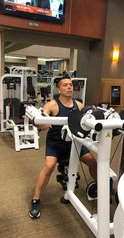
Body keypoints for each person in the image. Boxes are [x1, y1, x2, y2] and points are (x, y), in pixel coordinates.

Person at [29, 76, 97, 218]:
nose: (69, 87)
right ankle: (36, 199)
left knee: (92, 161)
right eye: (65, 85)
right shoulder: (52, 105)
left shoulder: (78, 105)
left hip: (75, 142)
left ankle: (100, 189)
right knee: (49, 166)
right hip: (56, 143)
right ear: (59, 89)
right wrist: (41, 120)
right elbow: (41, 114)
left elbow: (89, 119)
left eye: (71, 85)